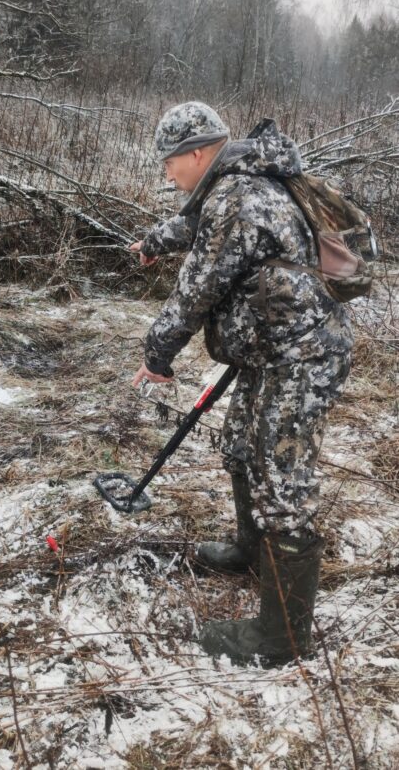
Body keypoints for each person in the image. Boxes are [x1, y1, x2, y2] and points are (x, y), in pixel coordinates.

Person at [130, 102, 353, 667]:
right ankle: (252, 551)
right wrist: (155, 240)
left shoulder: (236, 196)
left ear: (196, 153)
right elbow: (197, 227)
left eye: (169, 162)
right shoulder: (235, 186)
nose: (166, 174)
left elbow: (194, 294)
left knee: (283, 482)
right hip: (269, 351)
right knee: (240, 447)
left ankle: (281, 639)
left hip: (300, 358)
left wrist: (157, 355)